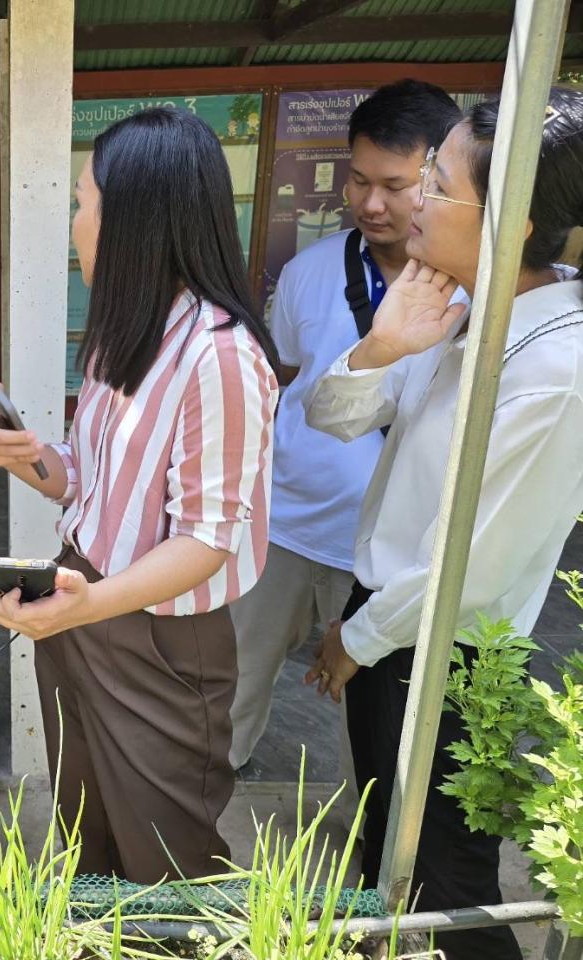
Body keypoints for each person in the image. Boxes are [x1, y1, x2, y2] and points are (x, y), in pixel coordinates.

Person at [0, 108, 278, 881]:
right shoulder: (123, 331)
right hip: (86, 597)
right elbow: (92, 479)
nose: (74, 223)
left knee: (168, 855)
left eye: (81, 202)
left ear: (131, 217)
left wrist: (86, 606)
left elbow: (207, 540)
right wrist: (31, 457)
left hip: (161, 639)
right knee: (88, 824)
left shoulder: (220, 356)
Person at [304, 88, 583, 960]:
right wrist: (381, 346)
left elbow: (469, 563)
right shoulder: (456, 307)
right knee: (390, 832)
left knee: (448, 882)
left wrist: (356, 637)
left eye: (436, 184)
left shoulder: (555, 368)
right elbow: (333, 415)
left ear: (518, 220)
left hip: (445, 655)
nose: (411, 203)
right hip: (392, 624)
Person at [228, 80, 462, 771]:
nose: (370, 203)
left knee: (374, 712)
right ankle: (204, 802)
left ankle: (366, 832)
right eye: (358, 180)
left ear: (441, 178)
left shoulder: (476, 289)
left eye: (394, 184)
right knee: (235, 681)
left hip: (397, 548)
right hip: (289, 525)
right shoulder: (308, 272)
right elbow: (289, 384)